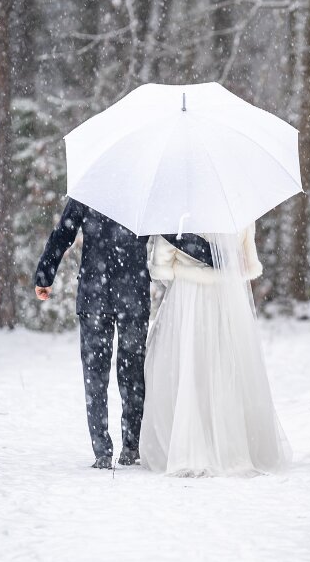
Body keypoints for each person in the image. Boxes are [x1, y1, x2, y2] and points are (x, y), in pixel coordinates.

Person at [32, 198, 208, 469]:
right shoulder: (143, 193)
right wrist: (214, 256)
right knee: (132, 372)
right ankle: (131, 446)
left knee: (95, 373)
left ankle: (102, 450)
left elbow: (63, 233)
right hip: (132, 296)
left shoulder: (89, 190)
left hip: (95, 294)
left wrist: (45, 274)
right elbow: (175, 235)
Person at [140, 222, 291, 476]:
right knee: (225, 365)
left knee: (188, 365)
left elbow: (162, 267)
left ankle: (189, 443)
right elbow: (246, 263)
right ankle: (230, 442)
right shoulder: (237, 209)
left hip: (188, 297)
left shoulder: (179, 212)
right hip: (226, 297)